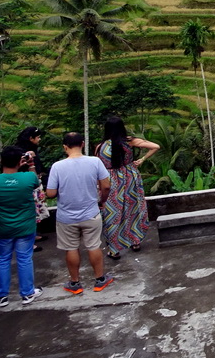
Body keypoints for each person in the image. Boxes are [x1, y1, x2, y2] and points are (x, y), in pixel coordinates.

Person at [45, 132, 113, 294]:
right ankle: (99, 280)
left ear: (64, 147)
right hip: (91, 213)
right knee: (94, 245)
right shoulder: (95, 162)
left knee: (71, 248)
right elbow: (106, 186)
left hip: (66, 217)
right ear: (82, 144)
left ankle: (75, 283)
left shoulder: (57, 166)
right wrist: (102, 201)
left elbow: (51, 193)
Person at [0, 145, 42, 307]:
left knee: (2, 260)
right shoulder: (28, 179)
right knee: (24, 259)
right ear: (20, 161)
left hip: (1, 229)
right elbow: (36, 182)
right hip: (25, 228)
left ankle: (1, 296)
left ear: (1, 160)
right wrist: (30, 164)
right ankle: (27, 293)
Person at [95, 116, 158, 260]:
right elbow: (155, 146)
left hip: (110, 181)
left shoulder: (100, 146)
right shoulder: (130, 141)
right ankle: (135, 241)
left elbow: (98, 167)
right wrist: (142, 159)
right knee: (133, 209)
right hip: (130, 178)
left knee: (112, 214)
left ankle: (113, 249)